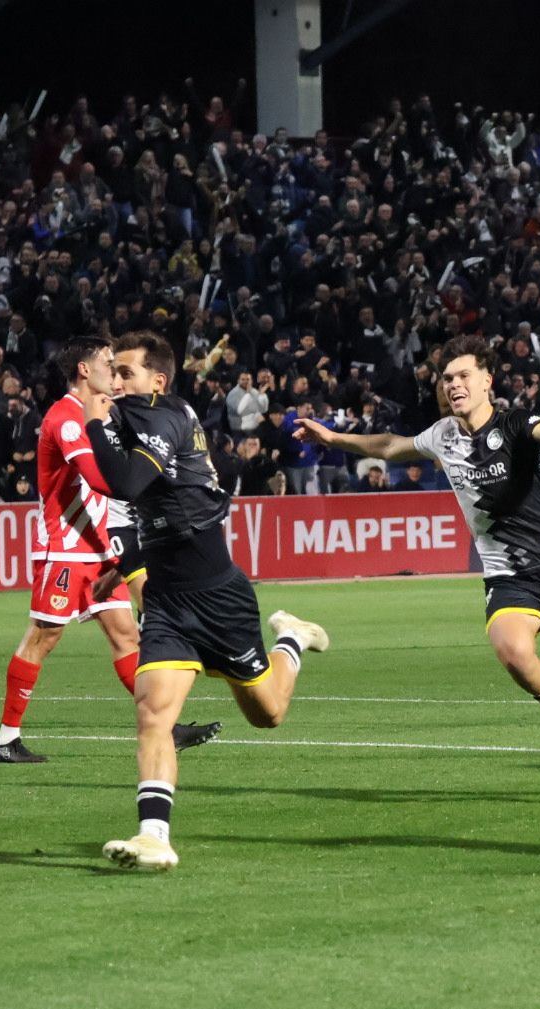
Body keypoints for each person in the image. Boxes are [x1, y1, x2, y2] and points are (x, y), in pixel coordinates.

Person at [293, 335, 540, 801]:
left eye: (464, 375)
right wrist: (333, 437)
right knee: (511, 651)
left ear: (487, 380)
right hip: (506, 573)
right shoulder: (443, 435)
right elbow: (391, 445)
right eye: (447, 378)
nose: (454, 385)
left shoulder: (514, 423)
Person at [85, 332, 329, 870]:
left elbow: (126, 483)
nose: (116, 381)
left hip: (220, 599)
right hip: (169, 601)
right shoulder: (143, 415)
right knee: (153, 712)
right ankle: (154, 836)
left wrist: (93, 418)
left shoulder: (162, 418)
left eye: (126, 372)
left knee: (269, 714)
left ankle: (292, 637)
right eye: (113, 371)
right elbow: (155, 507)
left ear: (157, 381)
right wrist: (122, 567)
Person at [0, 335, 216, 764]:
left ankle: (168, 724)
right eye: (107, 364)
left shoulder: (101, 414)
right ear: (83, 370)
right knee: (44, 636)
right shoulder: (68, 418)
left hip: (96, 551)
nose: (114, 373)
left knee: (126, 635)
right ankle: (6, 739)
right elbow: (100, 478)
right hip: (63, 548)